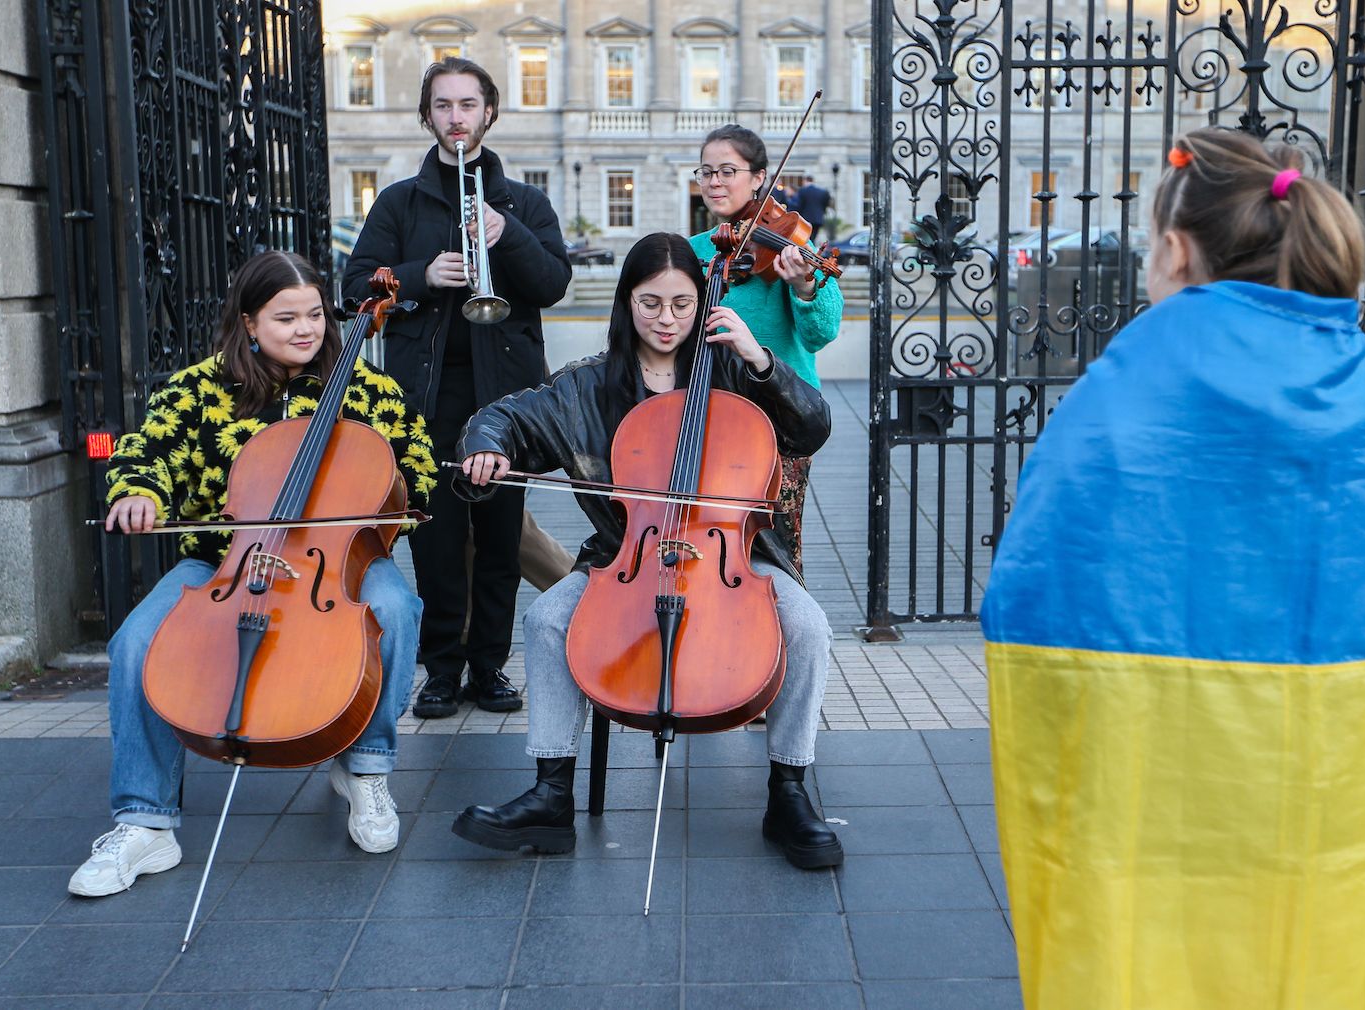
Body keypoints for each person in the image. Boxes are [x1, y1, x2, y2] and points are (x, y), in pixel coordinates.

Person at [980, 129, 1365, 1009]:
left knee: (1128, 945)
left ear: (1175, 252)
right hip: (1315, 748)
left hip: (1135, 748)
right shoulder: (1351, 390)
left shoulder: (1128, 386)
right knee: (1296, 936)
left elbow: (1037, 571)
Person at [447, 232, 843, 870]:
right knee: (547, 619)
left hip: (735, 552)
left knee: (808, 626)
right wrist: (486, 445)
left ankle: (788, 791)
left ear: (702, 304)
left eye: (682, 305)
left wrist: (759, 358)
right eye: (650, 303)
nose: (666, 319)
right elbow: (505, 418)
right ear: (626, 302)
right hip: (625, 555)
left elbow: (812, 427)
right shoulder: (587, 387)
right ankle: (551, 795)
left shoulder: (733, 373)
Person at [69, 251, 437, 898]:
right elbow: (144, 452)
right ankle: (145, 822)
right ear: (248, 322)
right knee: (135, 642)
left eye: (315, 315)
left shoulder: (370, 391)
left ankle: (366, 766)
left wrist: (389, 498)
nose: (306, 329)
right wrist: (138, 493)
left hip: (337, 564)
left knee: (397, 610)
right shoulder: (196, 390)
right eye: (285, 318)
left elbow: (420, 467)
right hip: (225, 562)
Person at [344, 56, 573, 720]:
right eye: (443, 106)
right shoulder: (399, 203)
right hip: (426, 396)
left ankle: (489, 667)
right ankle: (442, 670)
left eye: (467, 105)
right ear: (427, 116)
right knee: (437, 538)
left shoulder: (524, 203)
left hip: (507, 399)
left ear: (488, 112)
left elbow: (553, 284)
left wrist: (509, 234)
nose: (456, 118)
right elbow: (357, 286)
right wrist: (419, 275)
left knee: (500, 537)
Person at [691, 126, 843, 573]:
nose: (715, 182)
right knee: (704, 540)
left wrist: (804, 286)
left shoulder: (791, 245)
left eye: (727, 171)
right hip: (706, 413)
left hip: (778, 415)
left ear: (759, 178)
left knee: (774, 547)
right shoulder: (693, 250)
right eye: (706, 172)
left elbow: (821, 334)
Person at [793, 174, 832, 241]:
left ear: (805, 181)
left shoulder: (802, 191)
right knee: (813, 238)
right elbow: (826, 204)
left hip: (806, 218)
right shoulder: (822, 192)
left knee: (806, 239)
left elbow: (799, 205)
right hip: (818, 219)